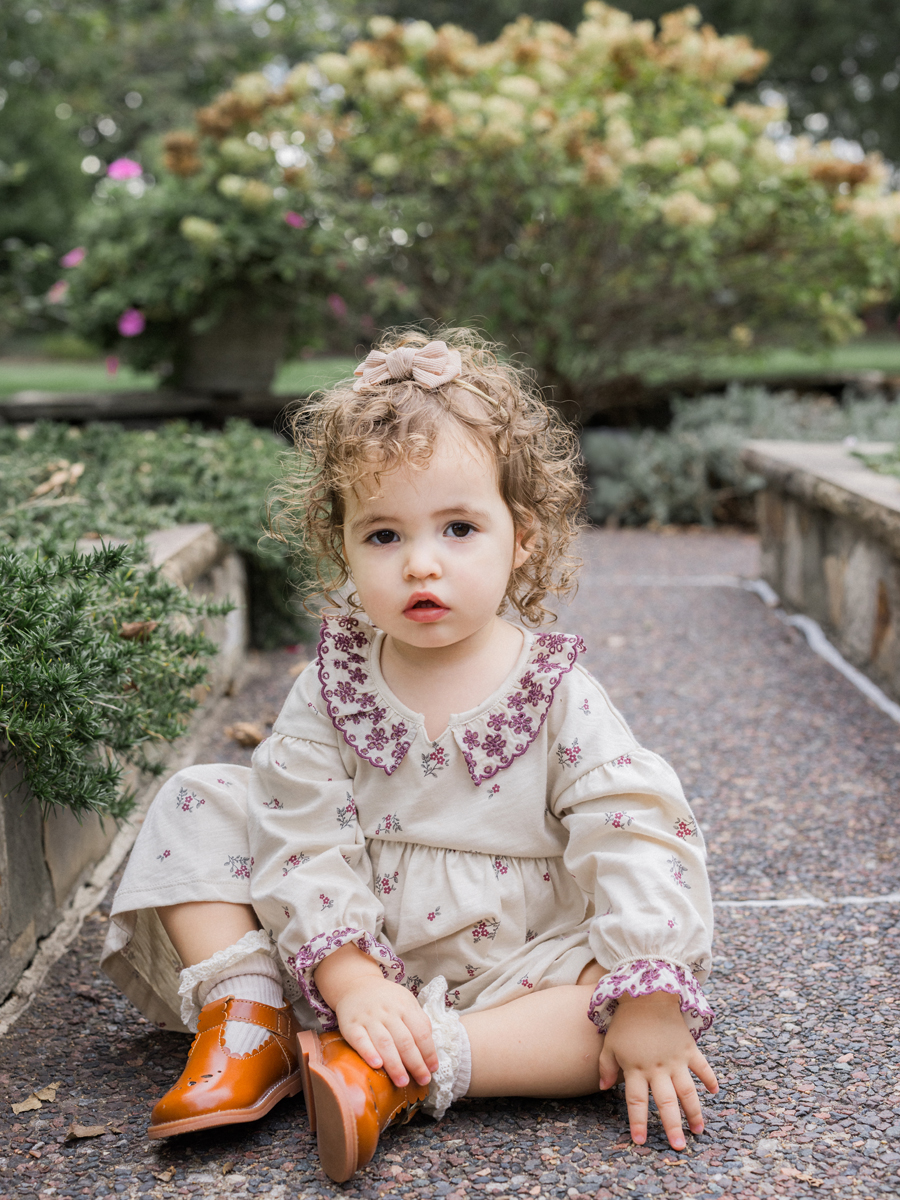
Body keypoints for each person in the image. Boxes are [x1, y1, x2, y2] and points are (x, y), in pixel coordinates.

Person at [100, 329, 718, 1183]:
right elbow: (300, 833)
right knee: (197, 803)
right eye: (383, 536)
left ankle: (396, 1071)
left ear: (522, 538)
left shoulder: (558, 692)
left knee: (618, 1021)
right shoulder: (331, 686)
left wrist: (649, 994)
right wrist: (351, 978)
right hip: (339, 939)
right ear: (343, 546)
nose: (421, 563)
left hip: (514, 962)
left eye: (459, 528)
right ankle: (253, 1023)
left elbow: (634, 833)